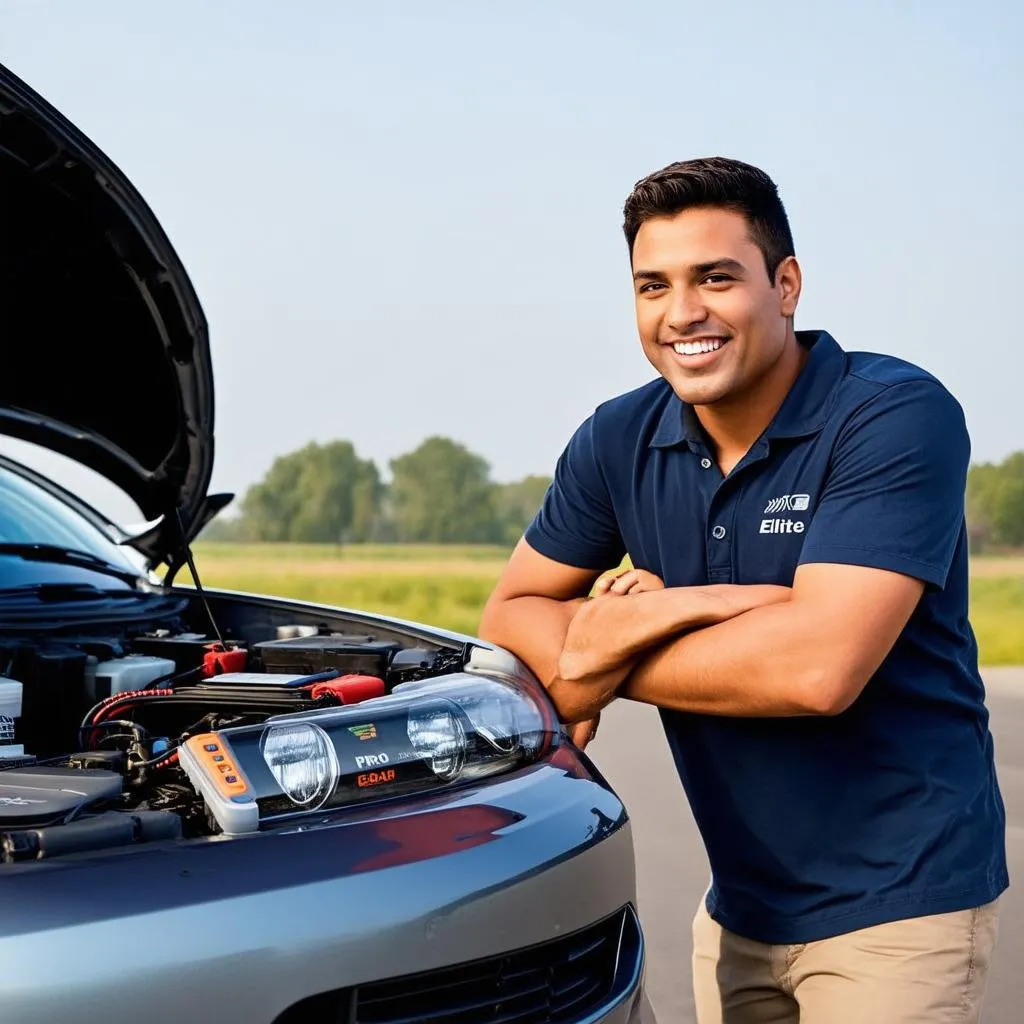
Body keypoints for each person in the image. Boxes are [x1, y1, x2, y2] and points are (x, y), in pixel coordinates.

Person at [478, 157, 1007, 1024]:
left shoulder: (892, 414)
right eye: (654, 285)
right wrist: (693, 608)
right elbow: (510, 618)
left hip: (901, 905)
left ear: (786, 284)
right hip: (739, 907)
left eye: (715, 278)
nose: (682, 312)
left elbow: (817, 672)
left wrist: (611, 645)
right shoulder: (617, 437)